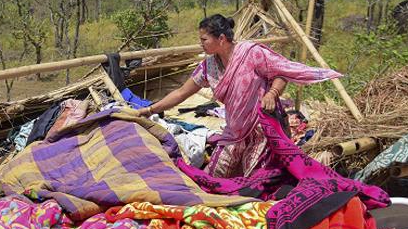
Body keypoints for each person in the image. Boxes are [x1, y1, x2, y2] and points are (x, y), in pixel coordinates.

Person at [138, 14, 341, 178]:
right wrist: (149, 110)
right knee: (213, 177)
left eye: (204, 40)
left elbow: (281, 72)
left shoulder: (250, 53)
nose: (201, 44)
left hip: (261, 129)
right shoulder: (208, 67)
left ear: (221, 39)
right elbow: (182, 92)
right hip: (235, 131)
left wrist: (272, 93)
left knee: (257, 179)